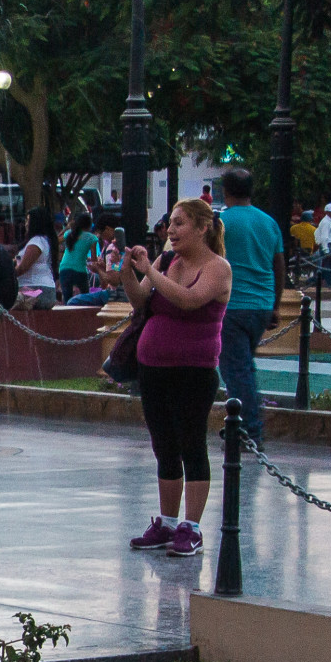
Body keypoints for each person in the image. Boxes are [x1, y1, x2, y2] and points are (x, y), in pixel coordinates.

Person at [125, 199, 231, 558]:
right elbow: (140, 299)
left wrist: (151, 272)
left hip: (194, 370)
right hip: (153, 367)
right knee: (164, 445)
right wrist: (128, 272)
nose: (171, 230)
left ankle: (192, 527)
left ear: (202, 228)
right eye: (170, 223)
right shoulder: (167, 260)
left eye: (180, 223)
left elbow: (189, 300)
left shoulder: (218, 268)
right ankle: (167, 523)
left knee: (191, 444)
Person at [217, 167, 285, 449]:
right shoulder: (269, 222)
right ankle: (245, 425)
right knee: (244, 367)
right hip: (262, 304)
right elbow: (278, 265)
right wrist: (275, 305)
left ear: (226, 191)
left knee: (237, 371)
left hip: (232, 305)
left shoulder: (221, 222)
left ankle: (248, 432)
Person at [14, 206, 59, 308]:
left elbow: (23, 268)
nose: (26, 224)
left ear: (35, 223)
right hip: (41, 290)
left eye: (28, 220)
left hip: (37, 290)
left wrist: (5, 276)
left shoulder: (37, 241)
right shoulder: (43, 240)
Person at [58, 211, 99, 302]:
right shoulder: (92, 238)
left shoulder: (70, 233)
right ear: (89, 225)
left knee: (67, 298)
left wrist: (65, 229)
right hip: (80, 270)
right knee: (85, 297)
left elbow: (55, 241)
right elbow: (94, 260)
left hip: (64, 268)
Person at [316, 202, 331, 288]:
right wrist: (326, 250)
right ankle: (327, 284)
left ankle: (330, 284)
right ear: (327, 212)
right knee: (327, 267)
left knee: (330, 267)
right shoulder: (326, 222)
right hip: (327, 246)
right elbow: (324, 237)